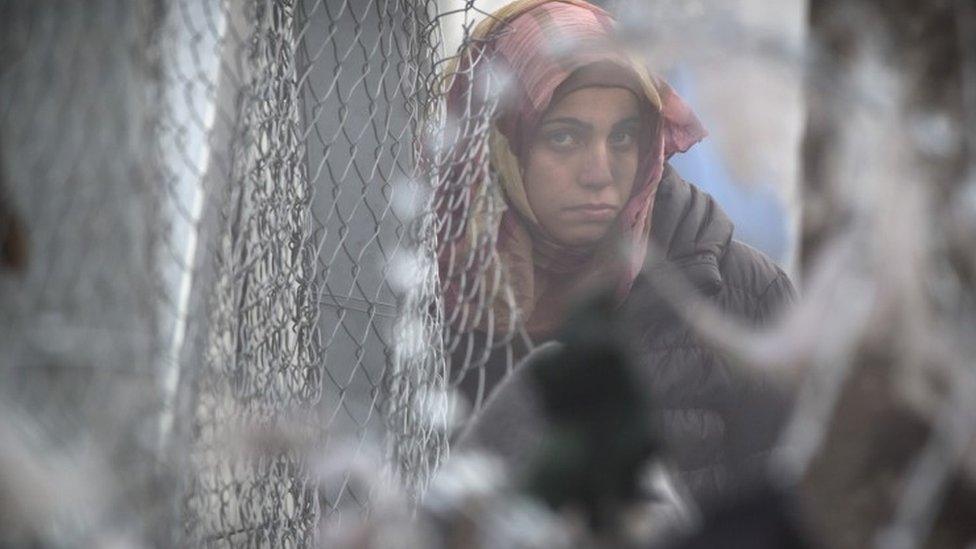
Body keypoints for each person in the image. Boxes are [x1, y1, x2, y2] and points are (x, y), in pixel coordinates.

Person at [434, 0, 796, 504]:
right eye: (564, 137)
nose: (600, 172)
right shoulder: (440, 293)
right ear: (502, 143)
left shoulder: (743, 295)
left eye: (623, 137)